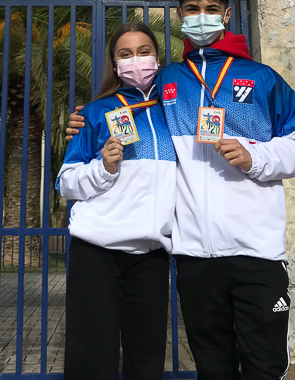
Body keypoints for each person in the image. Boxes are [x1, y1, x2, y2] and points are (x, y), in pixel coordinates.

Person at [68, 0, 295, 380]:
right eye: (193, 10)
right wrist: (83, 122)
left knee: (264, 364)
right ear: (181, 15)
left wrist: (254, 156)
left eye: (211, 10)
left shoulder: (263, 78)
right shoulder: (167, 81)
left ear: (228, 14)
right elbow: (128, 110)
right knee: (212, 367)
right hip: (194, 255)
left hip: (256, 250)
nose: (202, 16)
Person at [56, 22, 175, 380]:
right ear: (113, 62)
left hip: (151, 256)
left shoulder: (174, 110)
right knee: (92, 356)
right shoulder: (94, 112)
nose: (136, 60)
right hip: (97, 254)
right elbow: (66, 182)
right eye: (125, 54)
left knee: (147, 358)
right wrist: (104, 168)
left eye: (143, 51)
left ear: (157, 56)